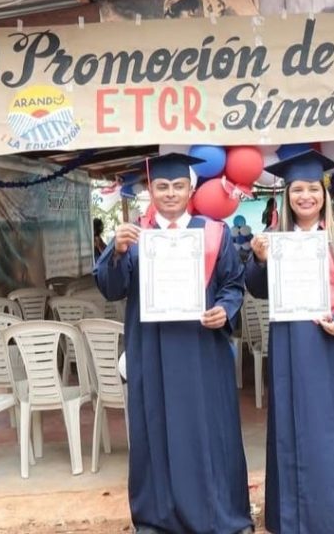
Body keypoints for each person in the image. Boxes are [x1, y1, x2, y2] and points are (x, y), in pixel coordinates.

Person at [95, 154, 253, 534]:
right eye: (162, 186)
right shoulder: (133, 237)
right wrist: (115, 253)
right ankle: (159, 517)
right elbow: (110, 287)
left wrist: (224, 308)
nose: (170, 193)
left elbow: (233, 285)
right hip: (153, 351)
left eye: (178, 186)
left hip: (203, 351)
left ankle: (219, 514)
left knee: (208, 430)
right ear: (151, 189)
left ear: (191, 189)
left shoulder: (215, 232)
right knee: (157, 430)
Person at [245, 150, 334, 534]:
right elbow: (255, 289)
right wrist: (257, 261)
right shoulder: (274, 238)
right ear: (287, 195)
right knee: (295, 423)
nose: (306, 196)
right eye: (298, 190)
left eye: (313, 189)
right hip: (291, 344)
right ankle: (293, 515)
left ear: (324, 191)